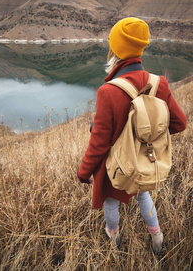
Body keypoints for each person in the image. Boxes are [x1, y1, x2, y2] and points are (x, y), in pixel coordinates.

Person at [77, 17, 187, 253]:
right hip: (145, 161)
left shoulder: (108, 91)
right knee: (144, 195)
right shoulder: (160, 84)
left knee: (110, 201)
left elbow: (99, 144)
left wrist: (84, 172)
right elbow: (180, 123)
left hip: (117, 166)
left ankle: (113, 237)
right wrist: (149, 136)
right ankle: (156, 236)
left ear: (114, 48)